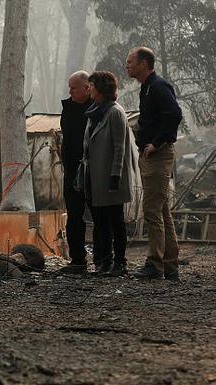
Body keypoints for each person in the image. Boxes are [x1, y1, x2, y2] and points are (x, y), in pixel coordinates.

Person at [125, 46, 183, 281]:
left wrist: (156, 143)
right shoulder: (146, 89)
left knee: (151, 209)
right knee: (162, 211)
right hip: (150, 154)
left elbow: (174, 114)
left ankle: (155, 263)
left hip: (157, 156)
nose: (127, 65)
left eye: (131, 61)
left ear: (144, 63)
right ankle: (169, 265)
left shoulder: (158, 87)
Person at [81, 71, 134, 276]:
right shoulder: (94, 111)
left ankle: (120, 263)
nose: (89, 89)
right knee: (100, 221)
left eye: (92, 85)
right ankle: (104, 261)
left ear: (102, 88)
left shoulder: (115, 112)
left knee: (115, 221)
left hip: (110, 176)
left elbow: (120, 147)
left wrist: (115, 176)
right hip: (94, 175)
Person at [59, 71, 93, 274]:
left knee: (100, 214)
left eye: (74, 88)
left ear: (87, 88)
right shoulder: (68, 108)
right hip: (72, 171)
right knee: (74, 216)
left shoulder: (97, 108)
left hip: (93, 169)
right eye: (69, 87)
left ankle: (107, 258)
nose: (70, 91)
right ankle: (77, 259)